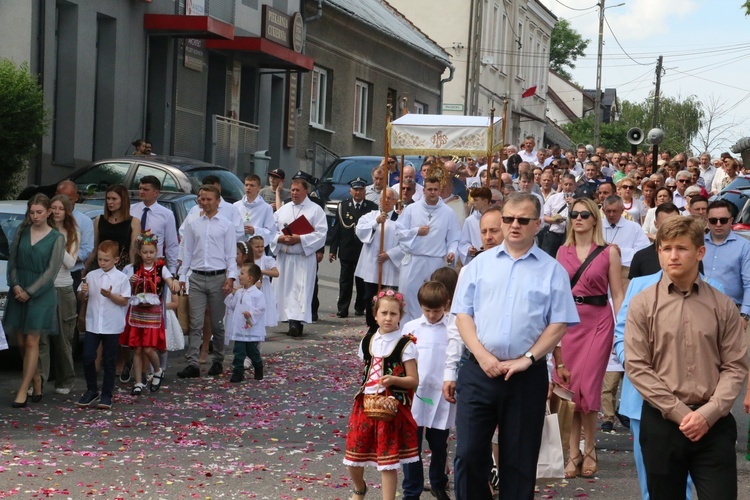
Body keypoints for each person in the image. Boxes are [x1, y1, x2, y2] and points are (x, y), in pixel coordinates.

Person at [451, 192, 579, 499]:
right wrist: (482, 357)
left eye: (523, 220)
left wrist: (528, 359)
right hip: (479, 371)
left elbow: (558, 323)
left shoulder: (552, 270)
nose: (514, 225)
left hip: (525, 376)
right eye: (508, 219)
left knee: (519, 461)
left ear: (538, 224)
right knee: (468, 454)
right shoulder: (478, 265)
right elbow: (463, 316)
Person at [624, 217, 748, 499]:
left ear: (699, 252)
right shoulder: (643, 304)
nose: (673, 256)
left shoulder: (722, 305)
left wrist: (709, 413)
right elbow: (638, 366)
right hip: (662, 422)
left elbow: (735, 366)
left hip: (714, 424)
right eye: (666, 248)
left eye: (681, 248)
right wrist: (681, 414)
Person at [556, 197, 624, 479]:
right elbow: (557, 293)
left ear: (595, 218)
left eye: (585, 214)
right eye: (574, 214)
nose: (579, 218)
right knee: (570, 389)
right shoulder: (562, 251)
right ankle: (573, 452)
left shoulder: (610, 252)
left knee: (588, 387)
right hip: (569, 323)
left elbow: (617, 293)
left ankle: (591, 448)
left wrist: (623, 331)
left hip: (599, 321)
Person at [343, 289, 419, 500]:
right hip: (365, 403)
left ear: (400, 317)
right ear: (375, 315)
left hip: (390, 406)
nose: (388, 318)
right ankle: (359, 488)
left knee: (387, 460)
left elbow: (413, 380)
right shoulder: (368, 341)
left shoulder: (405, 345)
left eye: (393, 314)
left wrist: (394, 380)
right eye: (384, 313)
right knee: (354, 453)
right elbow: (366, 371)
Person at [5, 194, 66, 407]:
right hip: (18, 290)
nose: (35, 216)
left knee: (32, 341)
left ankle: (23, 389)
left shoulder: (57, 238)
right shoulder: (21, 232)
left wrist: (29, 291)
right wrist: (15, 286)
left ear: (49, 212)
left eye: (39, 212)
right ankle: (36, 378)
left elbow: (51, 271)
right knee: (21, 342)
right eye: (32, 212)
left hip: (40, 294)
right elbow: (12, 262)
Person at [177, 184, 239, 378]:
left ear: (218, 201)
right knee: (195, 323)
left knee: (217, 323)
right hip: (196, 276)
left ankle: (218, 360)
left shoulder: (226, 225)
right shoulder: (194, 223)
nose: (204, 202)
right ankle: (193, 363)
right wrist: (182, 275)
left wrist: (230, 277)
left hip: (218, 277)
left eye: (208, 199)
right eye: (201, 199)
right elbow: (187, 251)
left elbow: (231, 254)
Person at [401, 281, 455, 500]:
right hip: (415, 393)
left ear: (446, 305)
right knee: (411, 444)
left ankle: (438, 483)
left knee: (439, 444)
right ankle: (411, 488)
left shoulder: (453, 327)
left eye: (437, 310)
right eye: (427, 310)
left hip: (441, 394)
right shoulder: (411, 328)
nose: (432, 315)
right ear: (420, 306)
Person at [120, 231, 179, 395]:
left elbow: (169, 279)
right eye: (145, 252)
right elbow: (123, 287)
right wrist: (129, 281)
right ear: (139, 252)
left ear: (156, 251)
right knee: (137, 349)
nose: (148, 255)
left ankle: (158, 369)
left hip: (153, 314)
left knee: (148, 348)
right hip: (137, 313)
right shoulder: (133, 268)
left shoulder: (161, 268)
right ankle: (138, 381)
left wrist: (173, 283)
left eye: (151, 252)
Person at [75, 240, 131, 410]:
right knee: (87, 357)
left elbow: (123, 301)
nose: (102, 263)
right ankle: (92, 389)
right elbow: (80, 297)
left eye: (106, 260)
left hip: (111, 325)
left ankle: (107, 394)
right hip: (93, 324)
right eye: (100, 259)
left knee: (109, 360)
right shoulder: (92, 275)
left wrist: (110, 295)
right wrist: (83, 293)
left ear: (116, 259)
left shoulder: (121, 278)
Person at [396, 177, 459, 324]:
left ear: (440, 190)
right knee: (408, 296)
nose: (432, 192)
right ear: (423, 190)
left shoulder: (448, 213)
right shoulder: (411, 209)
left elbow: (454, 237)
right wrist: (416, 231)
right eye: (429, 189)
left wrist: (452, 252)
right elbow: (399, 232)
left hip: (436, 260)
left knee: (434, 297)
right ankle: (407, 332)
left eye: (435, 189)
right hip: (414, 259)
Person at [270, 178, 327, 337]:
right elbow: (270, 229)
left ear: (305, 191)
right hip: (285, 256)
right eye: (292, 190)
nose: (294, 193)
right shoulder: (283, 209)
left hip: (302, 257)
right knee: (285, 290)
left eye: (297, 190)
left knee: (298, 291)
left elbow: (321, 234)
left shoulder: (315, 210)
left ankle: (296, 323)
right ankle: (288, 320)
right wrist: (279, 239)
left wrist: (300, 238)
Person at [40, 195, 79, 396]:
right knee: (41, 340)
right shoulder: (41, 231)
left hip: (63, 289)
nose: (56, 211)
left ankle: (66, 380)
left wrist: (56, 241)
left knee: (63, 339)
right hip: (43, 290)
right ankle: (38, 382)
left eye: (60, 208)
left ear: (66, 212)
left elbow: (70, 263)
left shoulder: (71, 232)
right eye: (53, 208)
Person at [355, 188, 402, 334]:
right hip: (372, 267)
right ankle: (373, 324)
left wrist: (390, 254)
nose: (386, 201)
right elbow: (360, 231)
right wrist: (376, 222)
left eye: (389, 198)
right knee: (370, 297)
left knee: (390, 297)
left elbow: (407, 242)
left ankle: (390, 325)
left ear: (395, 201)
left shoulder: (401, 219)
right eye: (383, 198)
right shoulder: (370, 216)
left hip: (391, 266)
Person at [329, 178, 378, 318]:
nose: (358, 192)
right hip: (347, 249)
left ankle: (360, 307)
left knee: (362, 281)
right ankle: (343, 308)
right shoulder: (343, 206)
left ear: (365, 191)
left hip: (364, 249)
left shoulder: (372, 207)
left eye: (361, 189)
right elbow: (336, 230)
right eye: (355, 189)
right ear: (351, 191)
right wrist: (333, 250)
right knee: (345, 281)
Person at [703, 199, 750, 324]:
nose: (718, 224)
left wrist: (744, 315)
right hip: (699, 309)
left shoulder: (745, 247)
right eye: (713, 221)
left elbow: (749, 283)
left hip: (731, 313)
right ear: (707, 222)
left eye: (723, 220)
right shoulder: (697, 244)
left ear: (731, 220)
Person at [225, 262, 266, 383]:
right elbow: (233, 306)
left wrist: (251, 314)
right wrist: (229, 296)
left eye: (242, 273)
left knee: (252, 351)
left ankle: (258, 366)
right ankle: (238, 371)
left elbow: (261, 309)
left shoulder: (257, 294)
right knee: (239, 351)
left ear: (250, 278)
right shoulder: (239, 292)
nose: (239, 276)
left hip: (251, 329)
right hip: (240, 328)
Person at [130, 175, 180, 272]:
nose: (141, 192)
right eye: (140, 188)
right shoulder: (131, 210)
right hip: (133, 262)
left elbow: (172, 245)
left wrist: (173, 270)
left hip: (155, 263)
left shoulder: (166, 214)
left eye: (146, 189)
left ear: (156, 193)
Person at [87, 184, 140, 272]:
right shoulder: (99, 219)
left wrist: (134, 271)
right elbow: (95, 248)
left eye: (114, 199)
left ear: (123, 201)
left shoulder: (134, 222)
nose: (110, 202)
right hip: (101, 264)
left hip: (121, 267)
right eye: (108, 198)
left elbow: (133, 251)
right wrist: (86, 267)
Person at [55, 180, 94, 299]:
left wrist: (67, 257)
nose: (65, 202)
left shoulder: (84, 221)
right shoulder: (46, 220)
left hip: (72, 275)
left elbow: (87, 249)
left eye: (69, 199)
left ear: (76, 198)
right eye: (61, 197)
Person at [629, 203, 686, 279]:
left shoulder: (690, 256)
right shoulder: (640, 257)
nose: (670, 228)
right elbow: (634, 288)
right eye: (665, 224)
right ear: (656, 224)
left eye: (673, 223)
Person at [601, 196, 650, 278]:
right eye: (608, 211)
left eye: (615, 211)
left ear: (622, 210)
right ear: (603, 210)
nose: (611, 214)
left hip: (625, 272)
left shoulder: (634, 227)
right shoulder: (596, 226)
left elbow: (644, 253)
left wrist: (621, 251)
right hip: (601, 271)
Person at [541, 173, 576, 258]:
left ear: (575, 185)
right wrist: (554, 220)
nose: (568, 187)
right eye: (566, 184)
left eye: (570, 184)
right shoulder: (553, 198)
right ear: (562, 185)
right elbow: (544, 216)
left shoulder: (580, 200)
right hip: (554, 235)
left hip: (571, 235)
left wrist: (575, 203)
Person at [234, 174, 275, 245]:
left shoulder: (266, 208)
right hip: (238, 247)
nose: (248, 188)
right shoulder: (235, 206)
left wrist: (255, 231)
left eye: (252, 185)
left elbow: (271, 232)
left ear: (259, 188)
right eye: (246, 185)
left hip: (256, 249)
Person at [248, 236, 279, 327]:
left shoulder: (266, 260)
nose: (260, 249)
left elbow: (276, 273)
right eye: (257, 247)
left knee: (262, 308)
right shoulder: (248, 260)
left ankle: (261, 329)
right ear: (251, 247)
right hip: (250, 288)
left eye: (262, 246)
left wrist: (261, 271)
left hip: (263, 288)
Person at [458, 187, 492, 265]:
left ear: (485, 201)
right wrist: (469, 248)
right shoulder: (470, 221)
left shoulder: (496, 218)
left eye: (476, 200)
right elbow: (463, 242)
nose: (472, 202)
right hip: (476, 260)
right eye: (473, 199)